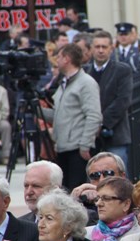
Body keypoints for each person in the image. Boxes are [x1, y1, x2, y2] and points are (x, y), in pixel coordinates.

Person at [41, 43, 102, 190]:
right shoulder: (64, 83)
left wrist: (85, 144)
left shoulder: (85, 83)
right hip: (63, 146)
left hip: (77, 148)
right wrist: (38, 110)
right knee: (65, 190)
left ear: (67, 59)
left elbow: (94, 115)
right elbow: (60, 114)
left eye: (59, 57)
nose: (57, 60)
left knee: (77, 191)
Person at [86, 31, 133, 167]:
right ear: (91, 48)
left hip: (115, 134)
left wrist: (101, 124)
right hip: (90, 137)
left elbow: (122, 101)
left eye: (104, 47)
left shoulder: (122, 70)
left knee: (117, 178)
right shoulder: (85, 71)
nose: (101, 50)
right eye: (97, 47)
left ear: (111, 48)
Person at [86, 177, 140, 241]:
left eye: (106, 199)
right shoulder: (84, 235)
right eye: (97, 199)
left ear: (126, 204)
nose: (98, 204)